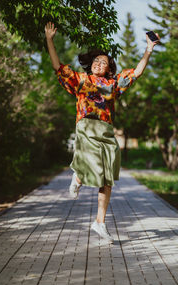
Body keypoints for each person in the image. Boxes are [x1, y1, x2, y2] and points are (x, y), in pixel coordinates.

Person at [45, 22, 160, 242]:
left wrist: (149, 48)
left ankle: (100, 222)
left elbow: (136, 73)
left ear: (109, 68)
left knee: (107, 178)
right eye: (97, 61)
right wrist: (50, 39)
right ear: (91, 65)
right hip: (86, 125)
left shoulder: (113, 84)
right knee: (93, 164)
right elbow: (58, 66)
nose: (99, 64)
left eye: (104, 62)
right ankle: (78, 175)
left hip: (106, 130)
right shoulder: (81, 80)